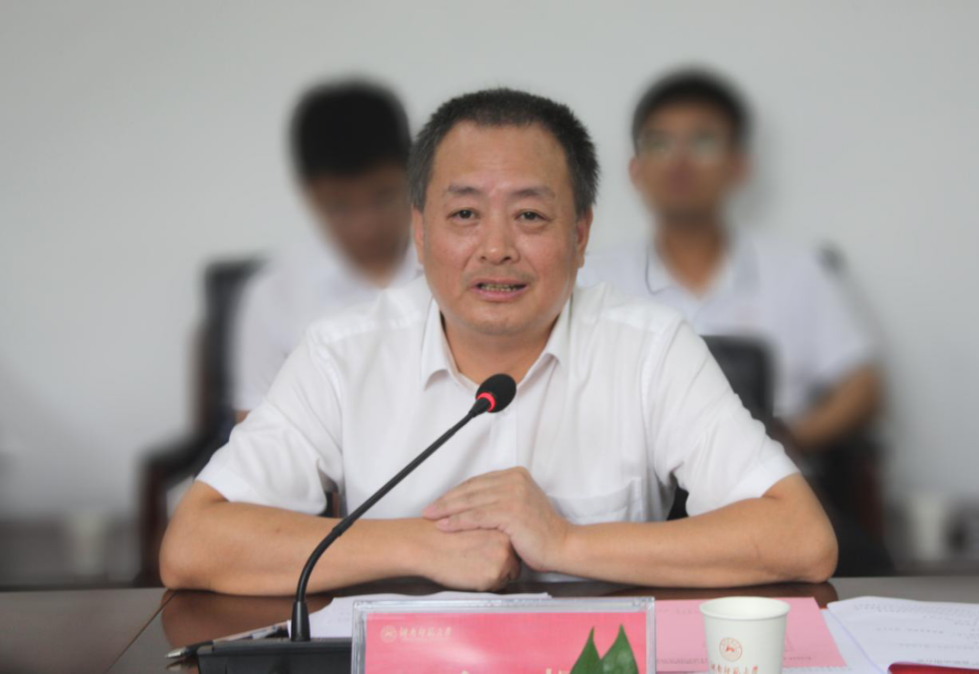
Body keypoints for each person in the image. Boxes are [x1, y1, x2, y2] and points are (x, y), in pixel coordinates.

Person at [161, 88, 837, 595]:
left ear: (580, 236)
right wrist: (420, 546)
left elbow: (801, 539)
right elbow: (193, 543)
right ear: (420, 233)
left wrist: (565, 542)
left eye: (530, 215)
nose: (495, 248)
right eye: (464, 214)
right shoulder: (343, 353)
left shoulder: (651, 348)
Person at [580, 70, 881, 455]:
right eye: (659, 143)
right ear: (635, 170)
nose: (680, 162)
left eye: (703, 142)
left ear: (739, 165)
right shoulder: (591, 277)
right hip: (635, 481)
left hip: (776, 476)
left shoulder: (799, 270)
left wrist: (779, 449)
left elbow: (862, 385)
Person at [232, 79, 421, 421]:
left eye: (383, 197)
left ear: (414, 173)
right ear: (307, 193)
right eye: (339, 206)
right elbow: (254, 431)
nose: (366, 226)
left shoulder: (461, 266)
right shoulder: (274, 293)